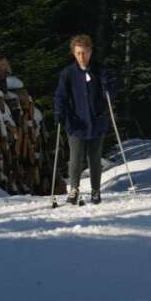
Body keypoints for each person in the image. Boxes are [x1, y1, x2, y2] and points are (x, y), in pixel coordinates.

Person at [54, 34, 115, 205]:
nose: (82, 56)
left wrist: (107, 86)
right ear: (74, 53)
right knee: (75, 158)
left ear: (90, 51)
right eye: (78, 53)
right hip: (76, 122)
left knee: (94, 158)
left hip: (96, 121)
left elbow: (112, 91)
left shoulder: (100, 70)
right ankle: (74, 189)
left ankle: (96, 191)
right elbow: (60, 96)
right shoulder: (68, 73)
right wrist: (59, 112)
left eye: (85, 52)